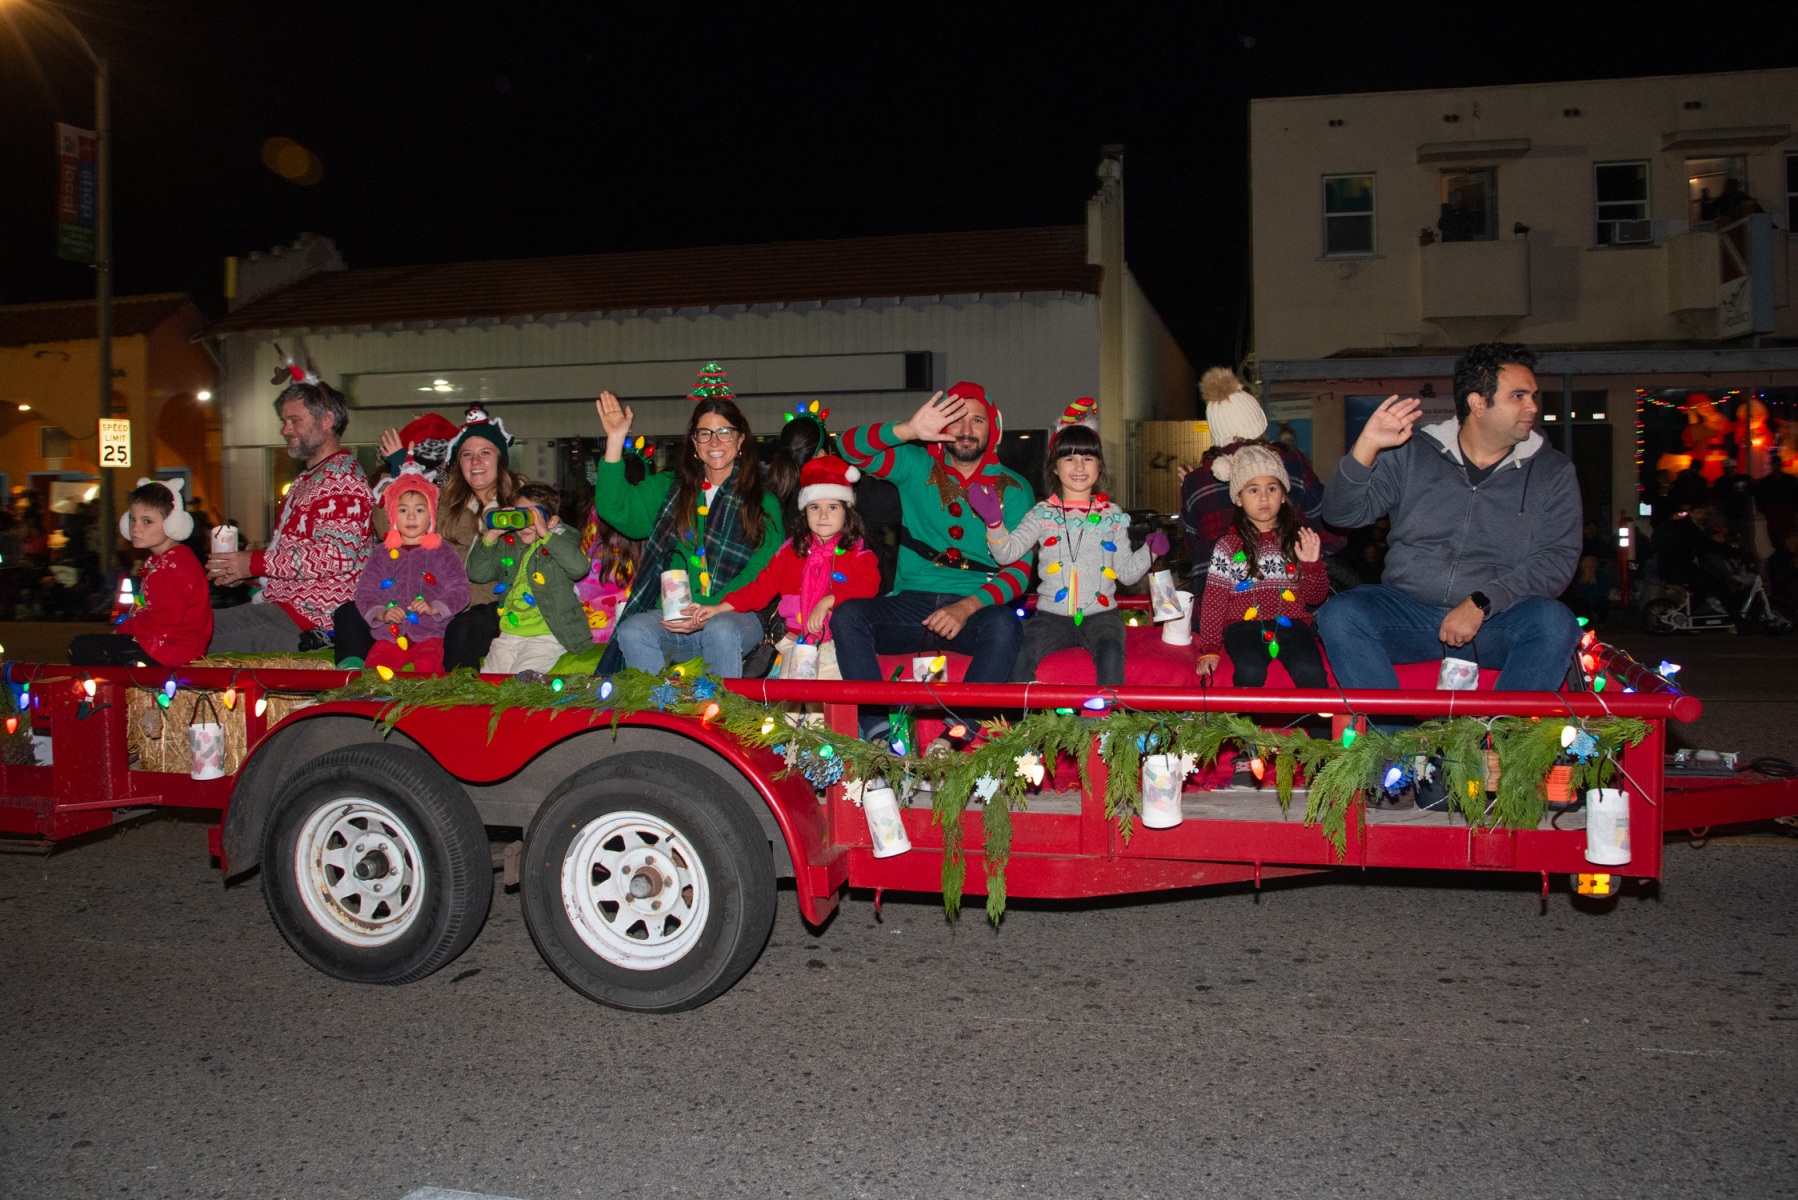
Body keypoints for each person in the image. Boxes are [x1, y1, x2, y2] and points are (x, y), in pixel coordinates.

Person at [1316, 342, 1582, 691]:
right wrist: (1366, 446)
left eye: (1533, 395)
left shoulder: (1553, 471)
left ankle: (1504, 742)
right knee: (1340, 614)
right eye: (1518, 396)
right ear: (1477, 403)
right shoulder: (1412, 453)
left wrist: (1483, 601)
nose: (1532, 406)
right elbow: (1342, 514)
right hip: (1408, 614)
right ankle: (1393, 743)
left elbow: (1555, 561)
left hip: (1496, 622)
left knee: (1554, 622)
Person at [833, 384, 1034, 736]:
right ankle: (876, 728)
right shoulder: (916, 464)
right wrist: (908, 430)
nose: (967, 430)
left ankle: (957, 730)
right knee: (849, 616)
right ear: (941, 424)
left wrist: (968, 607)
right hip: (912, 604)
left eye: (977, 420)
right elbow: (848, 447)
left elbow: (1019, 571)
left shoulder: (1015, 487)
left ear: (994, 429)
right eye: (956, 419)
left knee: (1005, 625)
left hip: (976, 608)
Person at [593, 388, 783, 678]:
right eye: (704, 433)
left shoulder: (763, 501)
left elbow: (763, 570)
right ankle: (661, 716)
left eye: (724, 432)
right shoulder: (669, 488)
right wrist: (616, 438)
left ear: (740, 439)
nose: (715, 441)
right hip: (676, 620)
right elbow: (614, 508)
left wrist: (710, 609)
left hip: (736, 616)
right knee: (632, 631)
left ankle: (722, 717)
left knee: (720, 629)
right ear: (694, 443)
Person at [331, 407, 527, 670]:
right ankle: (351, 682)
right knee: (348, 613)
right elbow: (389, 526)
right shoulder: (447, 499)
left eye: (485, 453)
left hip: (489, 604)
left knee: (463, 628)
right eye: (467, 455)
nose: (475, 462)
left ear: (500, 458)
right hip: (428, 601)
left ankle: (458, 699)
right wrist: (403, 474)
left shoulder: (520, 502)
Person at [971, 422, 1163, 686]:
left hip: (1102, 616)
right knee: (1020, 655)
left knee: (1110, 654)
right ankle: (1026, 722)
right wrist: (994, 523)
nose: (1080, 467)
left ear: (1100, 466)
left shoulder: (1113, 515)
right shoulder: (1042, 514)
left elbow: (1127, 574)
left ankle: (1105, 722)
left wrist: (1150, 552)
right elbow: (1006, 554)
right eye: (1069, 458)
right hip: (1050, 617)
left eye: (1088, 457)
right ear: (1054, 466)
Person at [206, 359, 372, 652]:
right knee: (184, 628)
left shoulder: (342, 479)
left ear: (327, 420)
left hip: (311, 622)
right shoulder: (310, 478)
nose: (285, 429)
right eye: (284, 421)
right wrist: (244, 571)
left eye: (295, 420)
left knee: (188, 638)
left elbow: (336, 555)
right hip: (283, 611)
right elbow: (294, 557)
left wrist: (252, 562)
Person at [690, 455, 881, 679]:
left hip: (839, 644)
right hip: (796, 643)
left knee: (826, 708)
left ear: (847, 511)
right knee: (791, 706)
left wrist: (829, 600)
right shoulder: (791, 551)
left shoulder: (858, 553)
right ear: (804, 511)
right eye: (814, 507)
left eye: (832, 507)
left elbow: (868, 587)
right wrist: (721, 607)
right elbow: (760, 588)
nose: (823, 515)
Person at [1179, 367, 1337, 591]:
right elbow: (1330, 529)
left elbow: (1193, 548)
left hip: (1214, 601)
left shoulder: (1195, 482)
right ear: (1258, 424)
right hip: (1285, 595)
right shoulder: (1288, 463)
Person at [1190, 445, 1328, 688]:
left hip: (1293, 623)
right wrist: (1210, 648)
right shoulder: (1228, 546)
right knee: (1250, 670)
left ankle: (1321, 727)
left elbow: (1316, 597)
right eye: (1253, 490)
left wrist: (1312, 564)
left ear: (1283, 496)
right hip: (1242, 626)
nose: (1264, 497)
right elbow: (1214, 600)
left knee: (1311, 670)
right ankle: (1245, 727)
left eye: (1272, 488)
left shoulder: (1297, 540)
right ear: (1238, 499)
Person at [69, 479, 212, 668]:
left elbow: (165, 619)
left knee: (80, 647)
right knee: (91, 645)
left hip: (170, 649)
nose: (135, 528)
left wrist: (125, 630)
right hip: (160, 643)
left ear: (172, 524)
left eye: (147, 522)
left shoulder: (175, 566)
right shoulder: (160, 560)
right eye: (132, 519)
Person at [350, 455, 470, 675]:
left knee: (427, 668)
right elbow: (365, 592)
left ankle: (422, 708)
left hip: (430, 634)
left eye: (420, 510)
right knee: (374, 671)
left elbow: (460, 589)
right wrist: (381, 614)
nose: (411, 517)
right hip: (390, 635)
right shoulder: (381, 554)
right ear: (392, 515)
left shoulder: (442, 552)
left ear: (432, 515)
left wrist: (435, 607)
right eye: (403, 510)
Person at [467, 481, 593, 675]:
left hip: (548, 634)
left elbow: (579, 568)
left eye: (531, 517)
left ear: (551, 521)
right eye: (519, 516)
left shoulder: (560, 541)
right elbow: (477, 574)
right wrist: (493, 533)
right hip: (510, 634)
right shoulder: (508, 543)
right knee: (490, 678)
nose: (524, 524)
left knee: (522, 678)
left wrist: (545, 534)